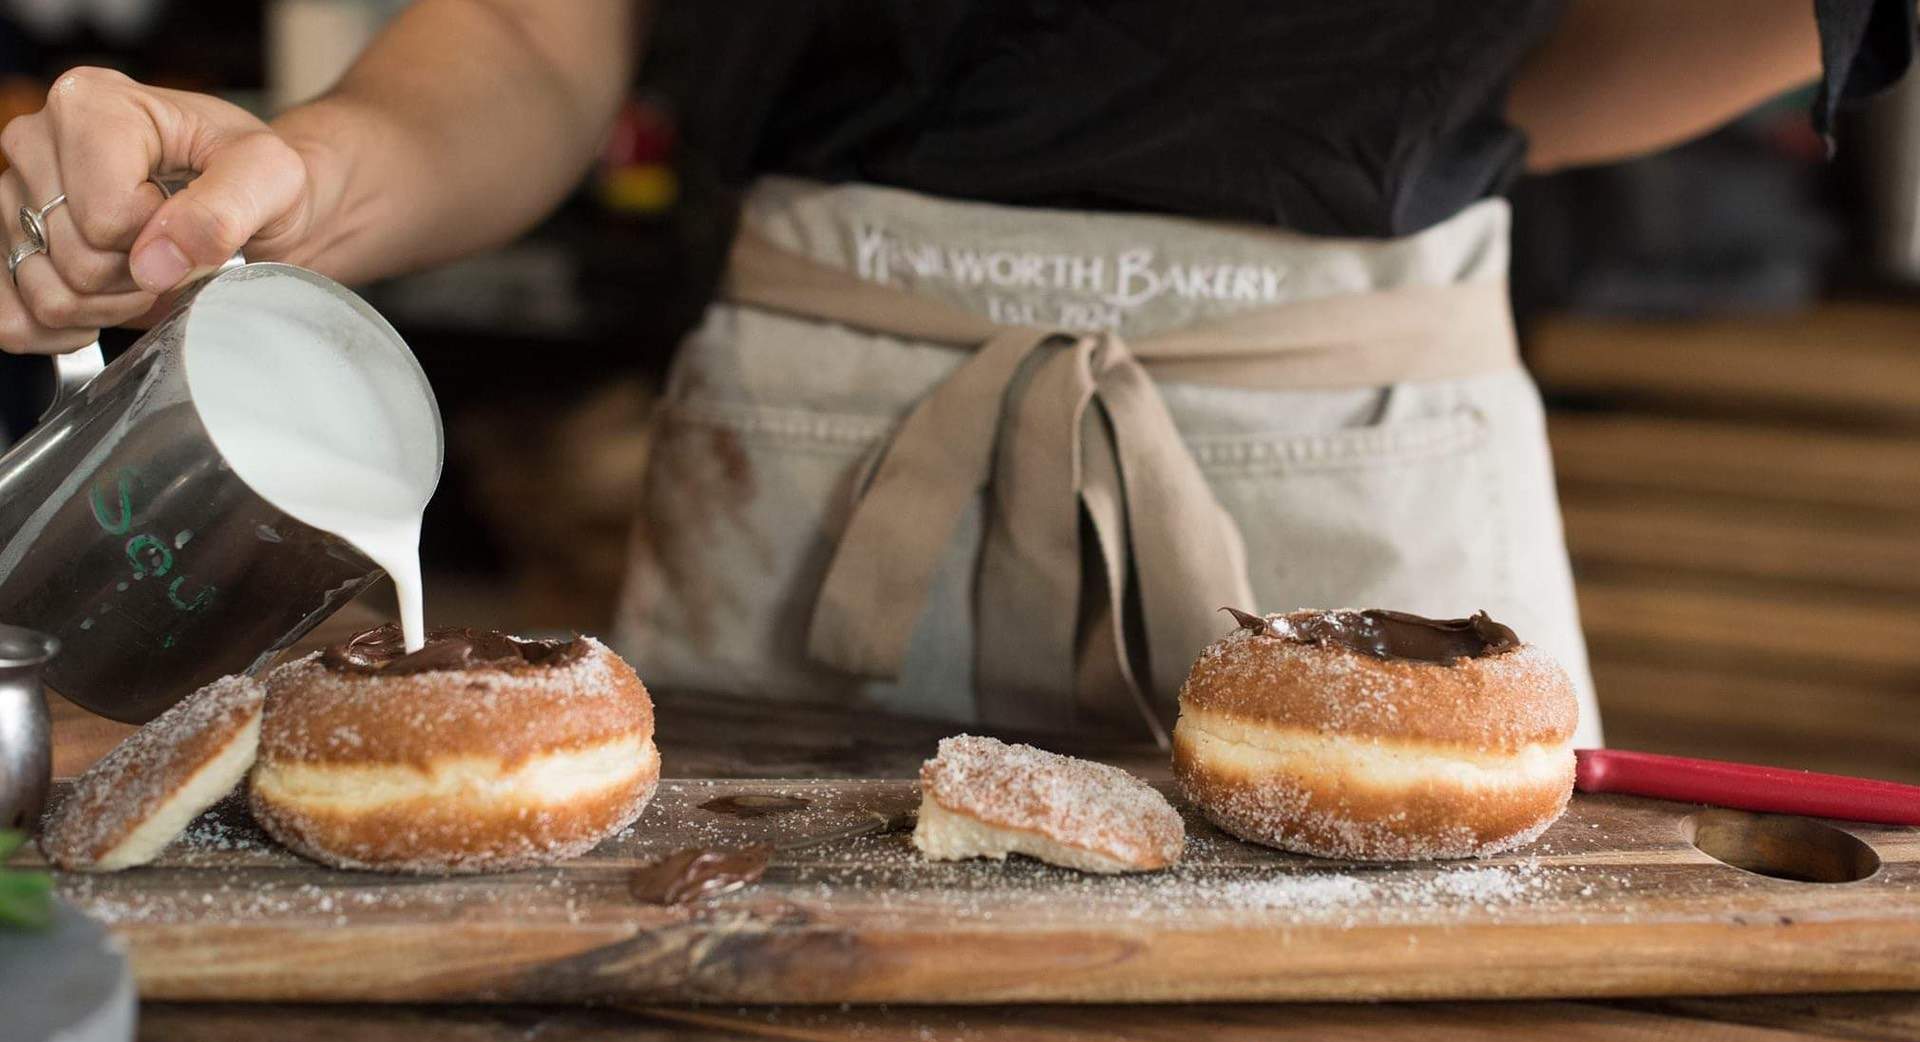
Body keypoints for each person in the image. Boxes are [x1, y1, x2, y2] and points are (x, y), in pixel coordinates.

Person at [0, 1, 1909, 749]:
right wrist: (305, 170)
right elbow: (528, 29)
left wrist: (1391, 152)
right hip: (812, 456)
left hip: (1354, 445)